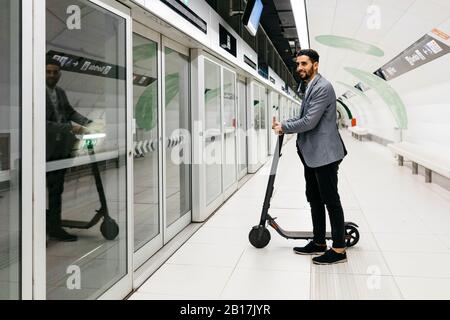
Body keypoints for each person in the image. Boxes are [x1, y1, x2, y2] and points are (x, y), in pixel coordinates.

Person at [272, 49, 348, 265]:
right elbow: (304, 116)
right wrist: (283, 124)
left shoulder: (323, 87)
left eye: (304, 64)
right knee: (314, 199)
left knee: (330, 200)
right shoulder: (310, 86)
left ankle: (339, 249)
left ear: (315, 64)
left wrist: (284, 127)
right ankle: (319, 242)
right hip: (312, 154)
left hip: (324, 154)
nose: (300, 68)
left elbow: (310, 122)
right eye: (298, 64)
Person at [46, 57, 93, 242]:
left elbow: (70, 112)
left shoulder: (60, 92)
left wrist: (89, 123)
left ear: (60, 74)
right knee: (40, 191)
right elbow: (40, 123)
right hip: (44, 149)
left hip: (61, 148)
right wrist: (70, 128)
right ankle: (43, 225)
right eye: (48, 71)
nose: (51, 75)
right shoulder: (34, 92)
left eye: (54, 72)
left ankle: (55, 227)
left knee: (57, 189)